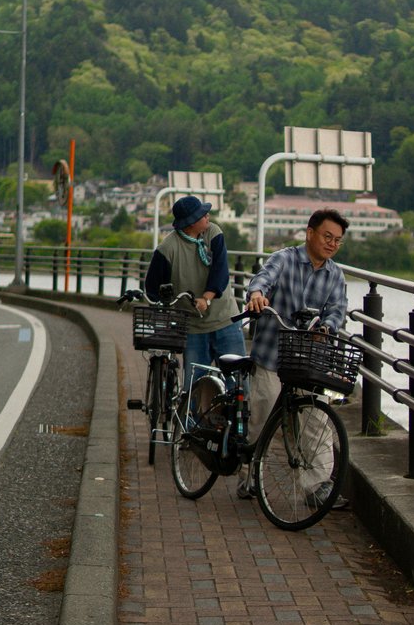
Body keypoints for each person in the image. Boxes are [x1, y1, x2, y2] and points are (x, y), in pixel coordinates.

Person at [241, 208, 350, 509]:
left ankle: (317, 487)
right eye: (327, 236)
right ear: (310, 232)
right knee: (261, 415)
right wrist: (257, 295)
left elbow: (338, 309)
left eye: (338, 240)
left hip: (308, 360)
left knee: (317, 420)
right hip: (272, 352)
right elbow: (263, 278)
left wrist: (327, 327)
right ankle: (249, 474)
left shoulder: (335, 275)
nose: (332, 244)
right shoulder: (284, 259)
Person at [144, 195, 246, 378]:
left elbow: (220, 271)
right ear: (191, 222)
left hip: (225, 319)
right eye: (202, 215)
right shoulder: (167, 248)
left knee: (237, 382)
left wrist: (206, 297)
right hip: (192, 327)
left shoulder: (214, 233)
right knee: (193, 387)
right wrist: (164, 305)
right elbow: (153, 286)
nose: (208, 216)